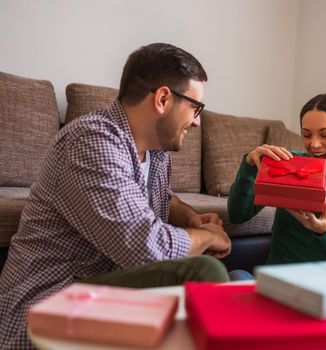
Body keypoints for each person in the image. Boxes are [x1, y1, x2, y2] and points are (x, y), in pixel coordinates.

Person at [0, 43, 232, 349]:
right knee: (205, 271)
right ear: (163, 99)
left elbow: (162, 198)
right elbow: (145, 246)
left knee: (238, 278)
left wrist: (189, 217)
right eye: (195, 107)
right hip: (51, 302)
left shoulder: (156, 152)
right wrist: (208, 237)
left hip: (105, 289)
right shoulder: (91, 141)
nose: (197, 121)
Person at [228, 93, 326, 267]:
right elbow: (237, 215)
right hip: (278, 279)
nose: (314, 145)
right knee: (235, 276)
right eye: (307, 135)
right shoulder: (290, 163)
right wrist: (249, 165)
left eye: (325, 135)